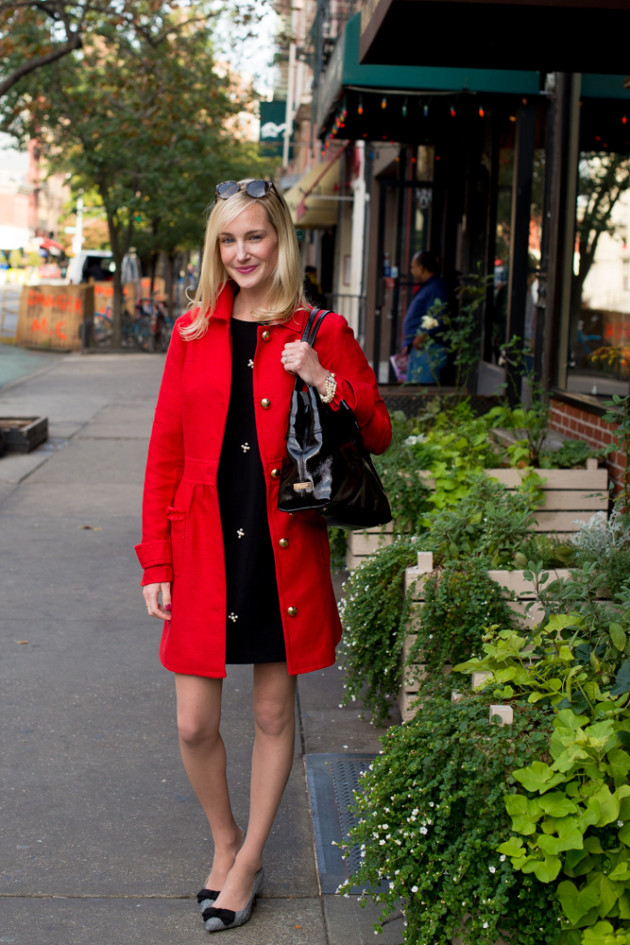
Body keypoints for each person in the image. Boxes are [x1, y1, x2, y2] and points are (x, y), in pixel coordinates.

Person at [135, 178, 391, 933]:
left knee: (276, 711)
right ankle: (225, 839)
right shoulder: (192, 332)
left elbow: (375, 432)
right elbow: (165, 453)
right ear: (216, 248)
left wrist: (320, 376)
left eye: (255, 236)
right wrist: (156, 560)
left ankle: (245, 869)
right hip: (203, 543)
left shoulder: (320, 328)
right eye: (228, 239)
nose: (242, 252)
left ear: (281, 238)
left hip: (282, 546)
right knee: (192, 722)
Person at [402, 251, 449, 383]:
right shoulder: (428, 287)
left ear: (422, 268)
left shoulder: (436, 287)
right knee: (413, 393)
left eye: (413, 267)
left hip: (428, 349)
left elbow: (435, 316)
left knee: (422, 395)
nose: (411, 271)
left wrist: (420, 337)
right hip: (420, 349)